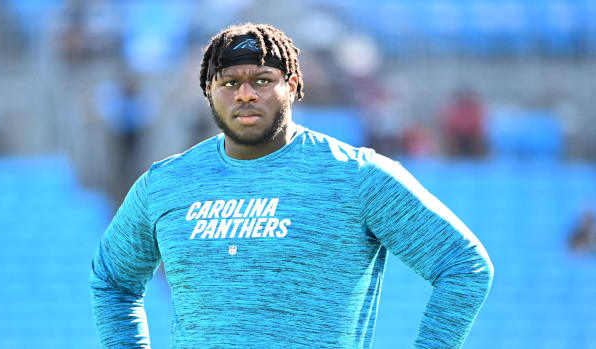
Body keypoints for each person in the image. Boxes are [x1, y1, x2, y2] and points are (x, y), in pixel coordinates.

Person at [89, 23, 494, 348]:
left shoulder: (357, 175)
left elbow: (464, 266)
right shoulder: (165, 183)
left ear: (294, 85)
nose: (245, 94)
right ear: (208, 92)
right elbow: (112, 280)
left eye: (262, 80)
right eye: (229, 82)